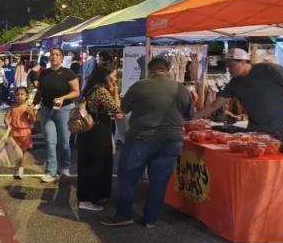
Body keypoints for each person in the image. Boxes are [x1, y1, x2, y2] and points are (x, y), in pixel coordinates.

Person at [101, 58, 192, 227]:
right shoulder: (181, 88)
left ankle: (123, 214)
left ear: (150, 71)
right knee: (159, 181)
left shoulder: (140, 86)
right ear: (167, 70)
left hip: (141, 138)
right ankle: (151, 219)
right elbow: (189, 114)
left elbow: (123, 109)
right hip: (172, 140)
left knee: (128, 177)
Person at [194, 48, 283, 135]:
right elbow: (214, 105)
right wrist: (192, 117)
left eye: (232, 65)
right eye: (227, 66)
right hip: (254, 130)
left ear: (243, 62)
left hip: (281, 128)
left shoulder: (269, 69)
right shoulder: (234, 83)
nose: (229, 69)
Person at [77, 64, 123, 211]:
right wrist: (115, 92)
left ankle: (95, 196)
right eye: (113, 76)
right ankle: (87, 199)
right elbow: (116, 108)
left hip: (91, 131)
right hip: (97, 131)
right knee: (95, 164)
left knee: (93, 162)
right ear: (105, 76)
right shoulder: (101, 91)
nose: (115, 79)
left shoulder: (91, 88)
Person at [33, 47, 80, 183]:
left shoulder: (68, 73)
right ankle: (50, 171)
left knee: (64, 142)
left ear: (62, 58)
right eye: (52, 55)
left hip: (64, 110)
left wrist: (63, 98)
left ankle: (64, 167)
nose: (54, 57)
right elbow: (39, 92)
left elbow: (76, 92)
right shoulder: (44, 73)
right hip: (47, 110)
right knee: (50, 141)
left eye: (57, 55)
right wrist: (33, 104)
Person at [5, 87, 35, 179]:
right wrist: (8, 125)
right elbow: (6, 118)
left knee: (24, 151)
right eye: (17, 94)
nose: (19, 96)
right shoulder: (12, 107)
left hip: (25, 131)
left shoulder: (28, 107)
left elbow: (33, 121)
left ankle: (20, 169)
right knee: (16, 152)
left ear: (26, 96)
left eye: (22, 94)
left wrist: (31, 113)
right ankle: (17, 167)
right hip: (14, 132)